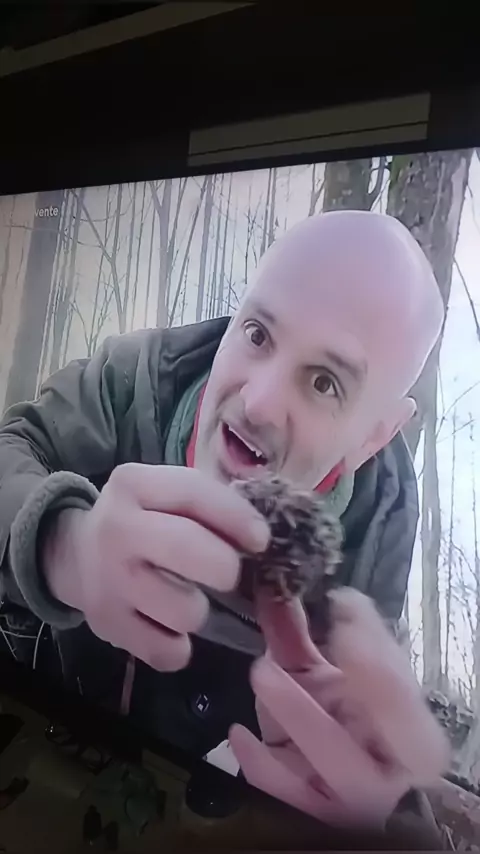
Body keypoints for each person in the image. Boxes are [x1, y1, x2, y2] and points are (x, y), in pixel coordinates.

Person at [0, 210, 447, 833]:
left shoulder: (372, 553)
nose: (258, 402)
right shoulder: (136, 381)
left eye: (324, 382)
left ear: (375, 434)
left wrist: (371, 824)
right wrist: (60, 543)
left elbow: (374, 751)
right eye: (258, 334)